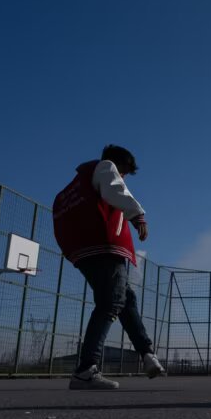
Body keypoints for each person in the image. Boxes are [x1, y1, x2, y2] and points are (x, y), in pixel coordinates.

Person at [53, 145, 165, 389]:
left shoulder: (75, 185)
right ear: (117, 164)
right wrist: (137, 215)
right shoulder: (105, 167)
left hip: (82, 250)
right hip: (102, 246)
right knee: (110, 303)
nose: (122, 178)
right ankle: (86, 369)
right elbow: (115, 190)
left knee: (125, 299)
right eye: (124, 172)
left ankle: (147, 354)